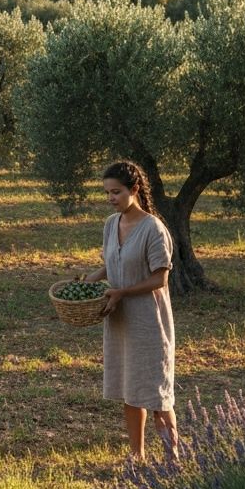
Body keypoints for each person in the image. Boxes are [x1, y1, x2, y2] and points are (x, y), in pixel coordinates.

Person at [81, 160, 178, 463]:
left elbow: (160, 278)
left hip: (149, 323)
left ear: (134, 190)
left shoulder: (153, 229)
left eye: (117, 192)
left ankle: (173, 457)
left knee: (156, 395)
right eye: (107, 193)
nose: (111, 199)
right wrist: (90, 280)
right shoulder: (111, 224)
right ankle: (137, 456)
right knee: (129, 391)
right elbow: (113, 264)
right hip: (120, 321)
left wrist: (122, 291)